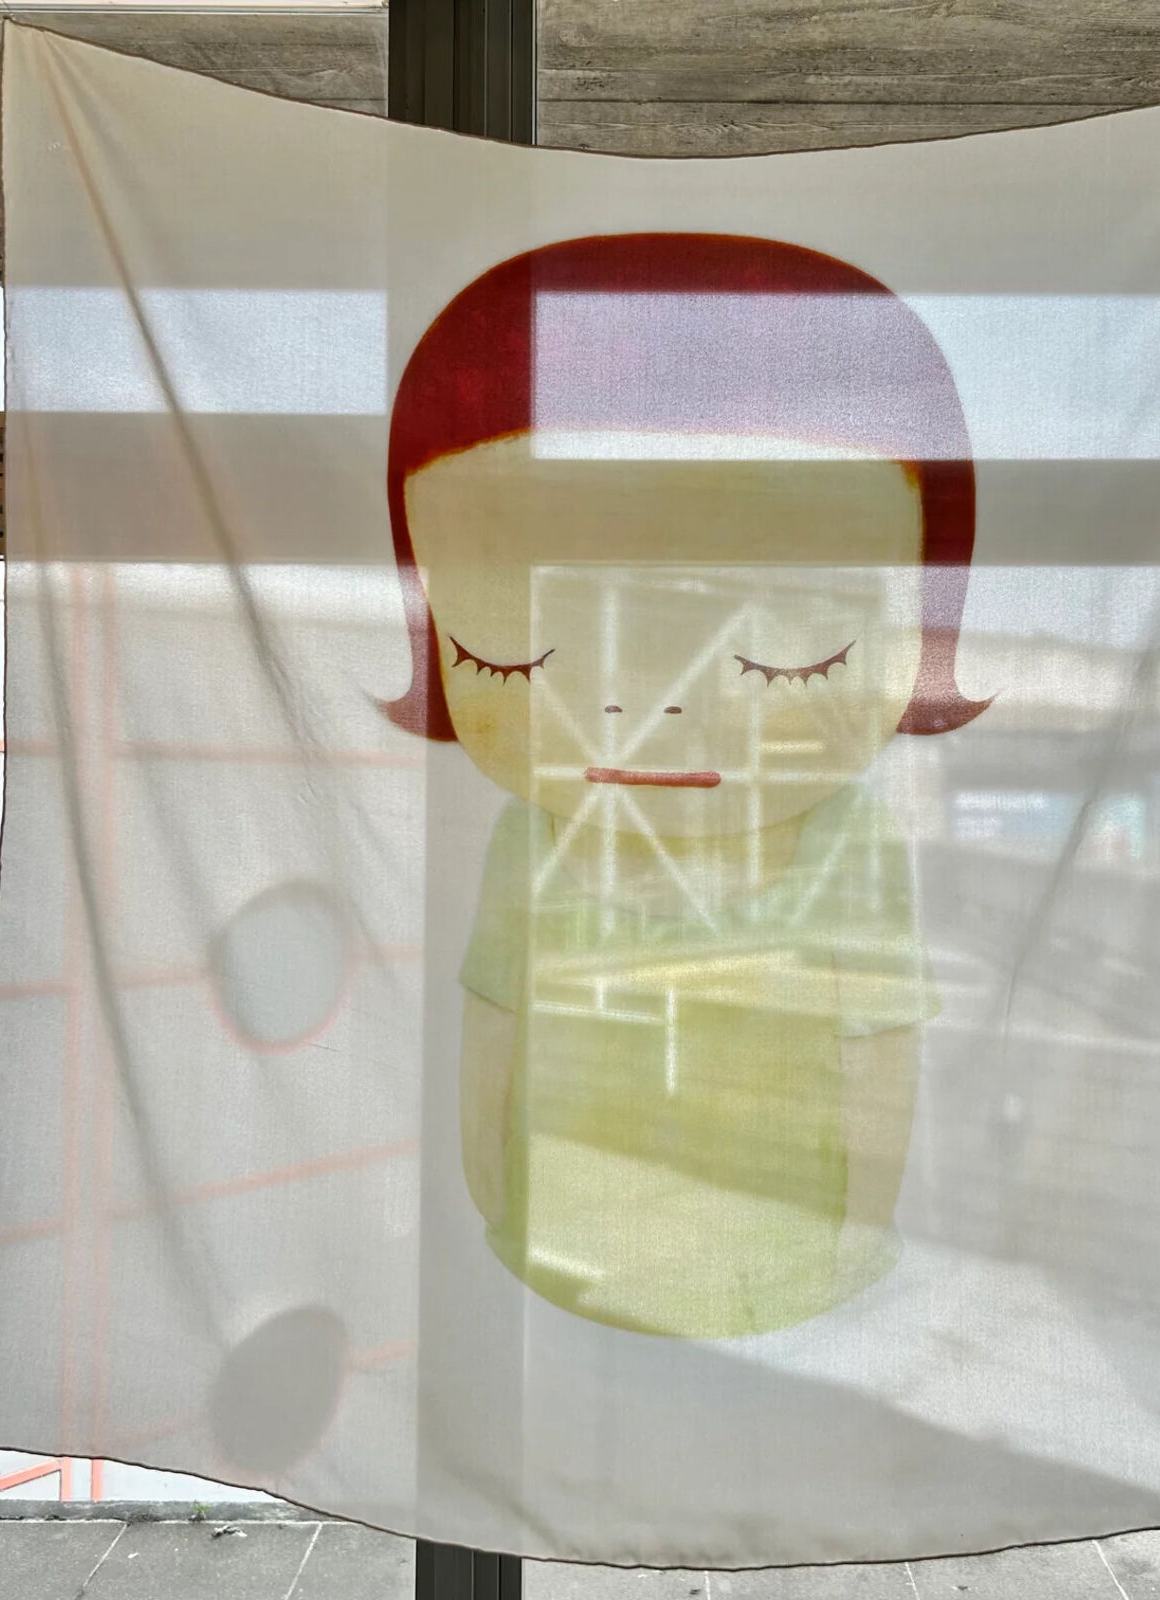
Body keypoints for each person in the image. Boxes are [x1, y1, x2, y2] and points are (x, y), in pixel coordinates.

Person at [384, 234, 988, 1337]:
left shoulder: (845, 832)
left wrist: (854, 1234)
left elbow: (877, 1057)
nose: (645, 712)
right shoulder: (531, 834)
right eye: (509, 661)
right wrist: (493, 1200)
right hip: (569, 1247)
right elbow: (496, 1035)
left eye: (786, 663)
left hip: (771, 1257)